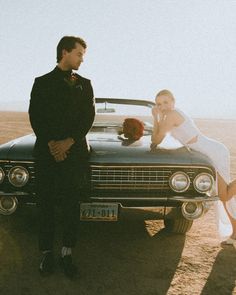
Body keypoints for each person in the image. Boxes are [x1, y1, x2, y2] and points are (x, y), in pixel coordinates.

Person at [29, 36, 95, 278]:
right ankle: (46, 253)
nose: (82, 59)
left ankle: (67, 253)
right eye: (79, 54)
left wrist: (68, 142)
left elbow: (88, 117)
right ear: (65, 52)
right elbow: (36, 115)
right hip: (47, 153)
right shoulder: (41, 82)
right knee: (45, 203)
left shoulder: (85, 84)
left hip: (75, 153)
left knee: (71, 204)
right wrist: (52, 144)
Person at [151, 89, 236, 245]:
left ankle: (235, 234)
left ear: (173, 102)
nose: (162, 106)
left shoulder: (171, 115)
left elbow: (156, 139)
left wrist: (155, 117)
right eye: (158, 104)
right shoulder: (170, 115)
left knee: (223, 195)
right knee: (223, 195)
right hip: (210, 151)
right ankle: (235, 234)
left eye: (165, 102)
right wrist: (158, 118)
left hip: (213, 152)